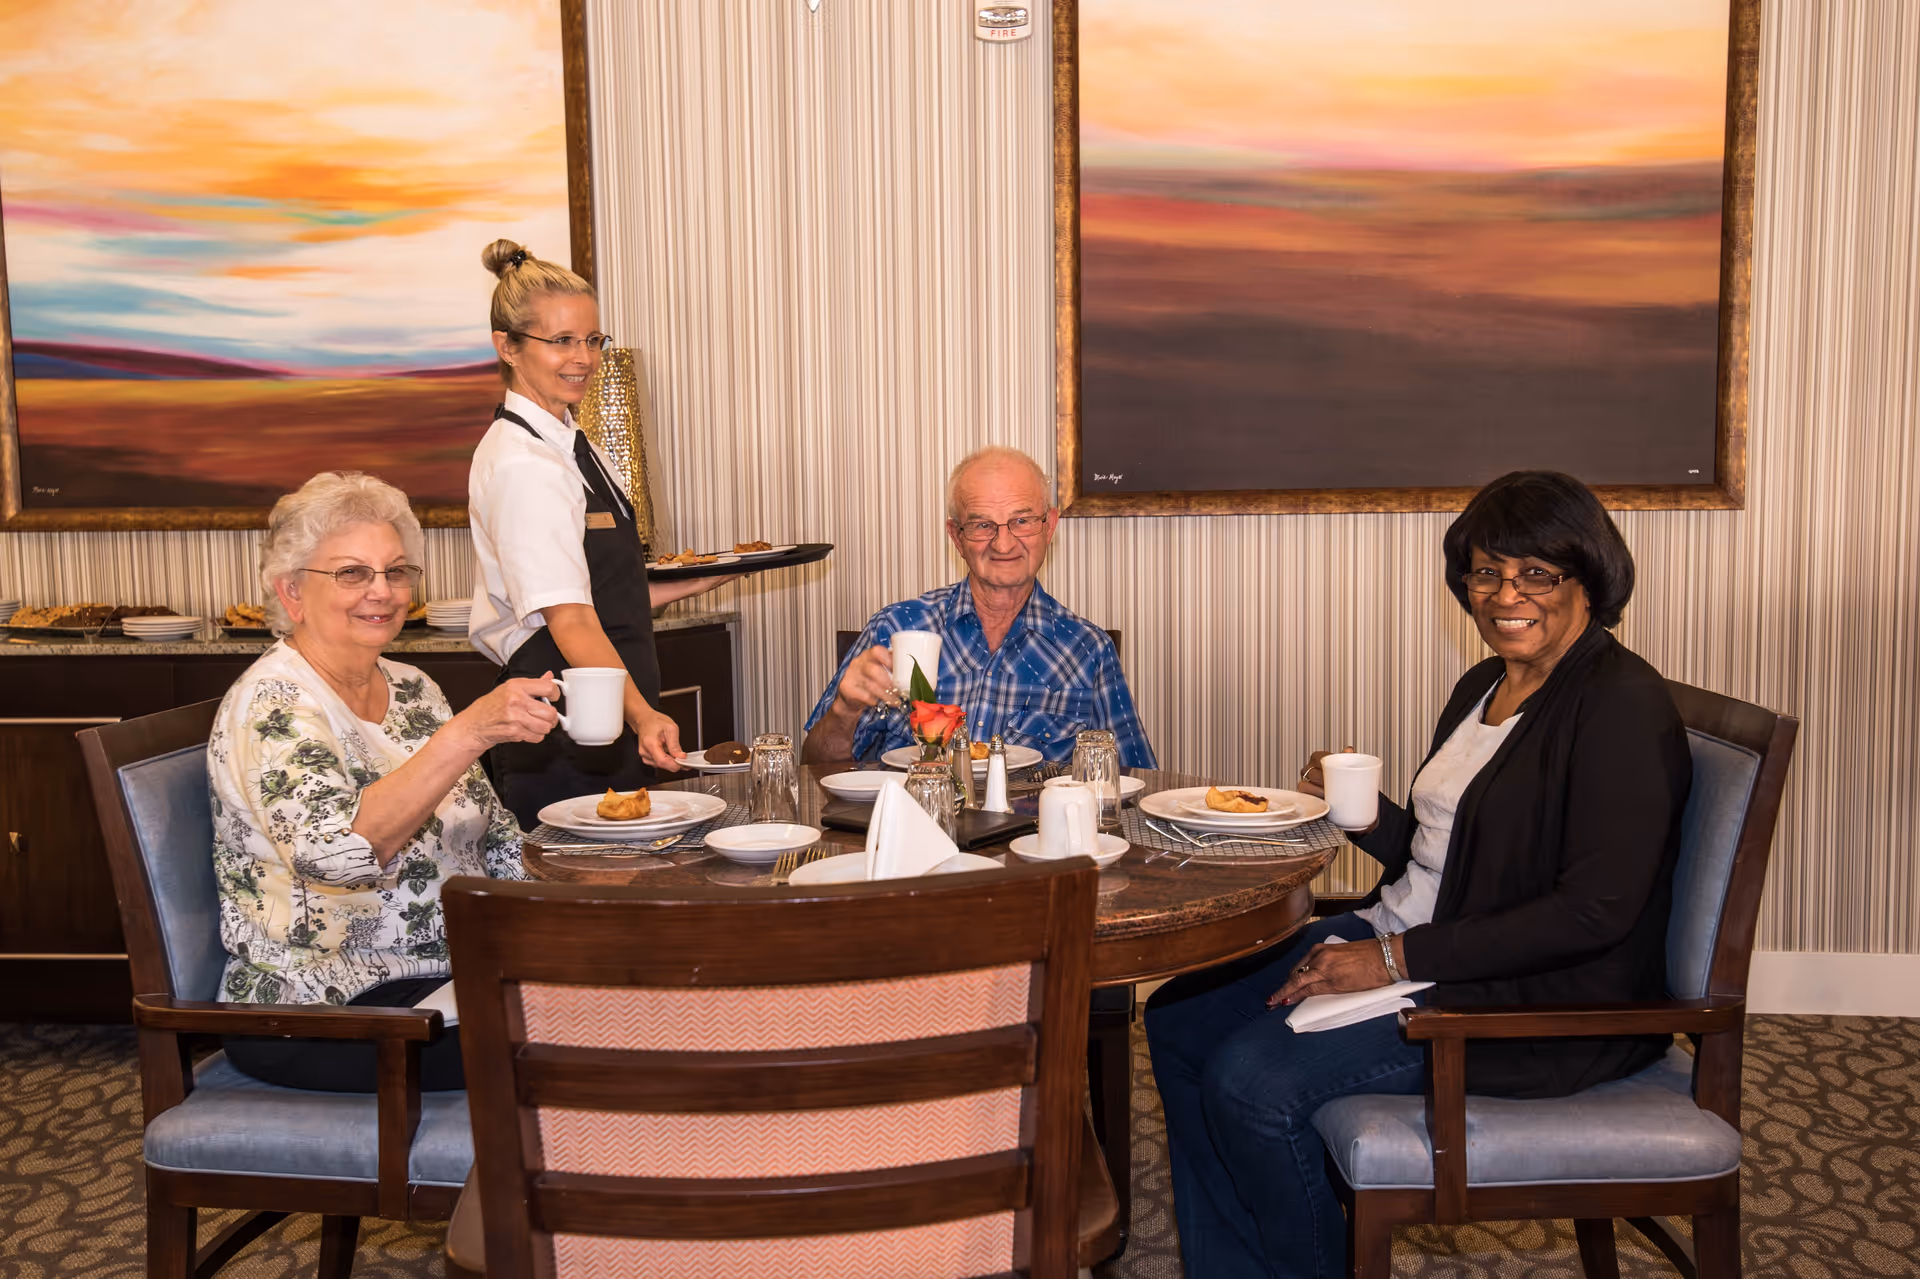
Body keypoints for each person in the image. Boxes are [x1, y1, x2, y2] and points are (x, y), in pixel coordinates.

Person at [1143, 470, 1693, 1279]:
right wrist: (1359, 812)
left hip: (1532, 999)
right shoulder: (1487, 683)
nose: (1506, 593)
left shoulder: (1620, 707)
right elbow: (1446, 856)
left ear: (1591, 577)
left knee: (1253, 1084)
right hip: (1418, 940)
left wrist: (1392, 961)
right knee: (1179, 1016)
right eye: (1485, 571)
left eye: (1536, 572)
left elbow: (1594, 912)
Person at [210, 472, 558, 1092]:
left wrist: (600, 888)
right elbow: (337, 859)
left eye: (397, 572)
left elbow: (496, 843)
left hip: (445, 982)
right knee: (598, 1033)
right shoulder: (274, 705)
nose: (383, 591)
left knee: (629, 984)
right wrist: (466, 735)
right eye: (352, 573)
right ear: (292, 592)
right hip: (325, 1009)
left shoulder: (413, 688)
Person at [465, 240, 731, 828]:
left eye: (592, 339)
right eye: (561, 341)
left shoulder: (575, 445)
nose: (582, 357)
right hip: (559, 728)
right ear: (507, 348)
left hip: (604, 716)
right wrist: (642, 716)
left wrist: (714, 576)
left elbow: (605, 592)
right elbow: (569, 620)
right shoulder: (521, 464)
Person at [801, 446, 1156, 767]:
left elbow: (1135, 784)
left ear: (1049, 527)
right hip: (908, 836)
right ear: (956, 537)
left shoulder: (1087, 650)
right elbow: (814, 768)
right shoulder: (896, 628)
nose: (1003, 544)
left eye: (1022, 520)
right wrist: (844, 711)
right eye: (983, 525)